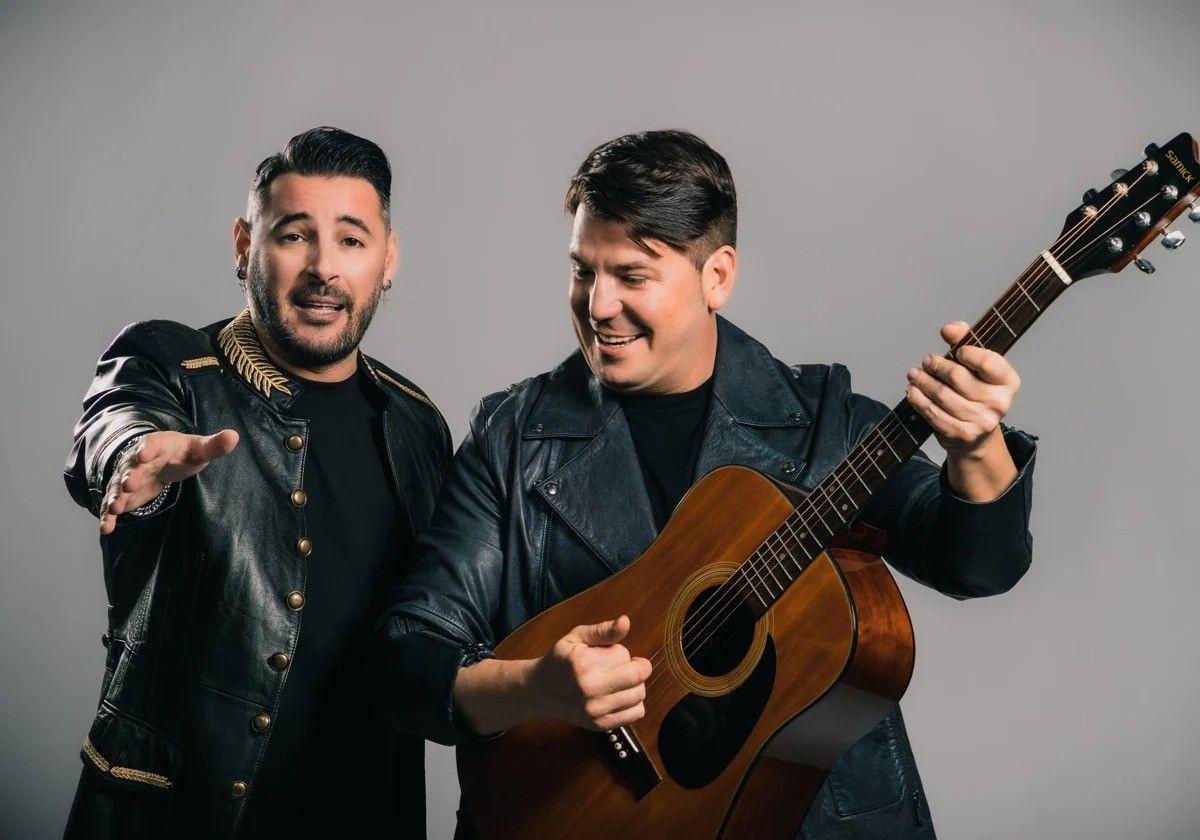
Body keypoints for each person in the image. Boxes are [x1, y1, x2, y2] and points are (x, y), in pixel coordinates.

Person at [379, 129, 1037, 838]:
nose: (597, 305)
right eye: (582, 271)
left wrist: (976, 447)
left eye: (631, 276)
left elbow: (975, 564)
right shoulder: (513, 438)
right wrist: (536, 686)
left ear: (716, 276)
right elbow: (409, 657)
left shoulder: (822, 424)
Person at [63, 126, 450, 839]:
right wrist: (133, 457)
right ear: (246, 245)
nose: (324, 269)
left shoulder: (418, 424)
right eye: (295, 236)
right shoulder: (171, 366)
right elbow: (117, 423)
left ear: (388, 259)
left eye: (352, 241)